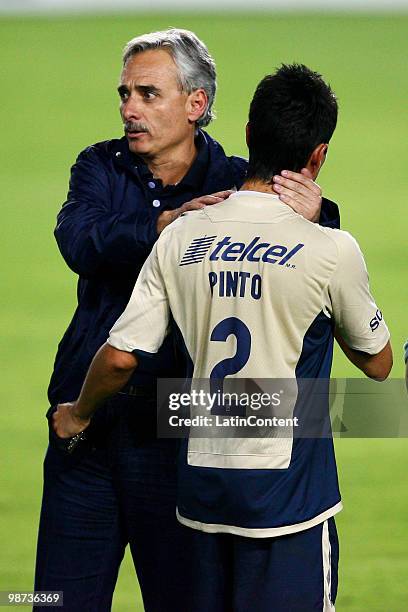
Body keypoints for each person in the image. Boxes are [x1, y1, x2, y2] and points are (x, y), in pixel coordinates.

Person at [36, 29, 341, 612]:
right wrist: (169, 225)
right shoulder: (99, 165)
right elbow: (80, 240)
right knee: (53, 599)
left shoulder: (236, 182)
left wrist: (320, 212)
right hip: (85, 430)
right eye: (124, 93)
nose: (129, 108)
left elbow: (313, 246)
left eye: (148, 94)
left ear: (196, 104)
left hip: (176, 436)